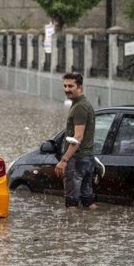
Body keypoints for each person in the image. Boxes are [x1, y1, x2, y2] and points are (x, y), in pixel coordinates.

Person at [54, 72, 97, 209]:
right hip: (87, 158)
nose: (67, 89)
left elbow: (78, 137)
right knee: (88, 201)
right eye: (65, 86)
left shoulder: (80, 107)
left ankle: (71, 223)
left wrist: (64, 160)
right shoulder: (83, 104)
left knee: (71, 203)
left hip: (77, 160)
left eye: (70, 86)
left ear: (79, 87)